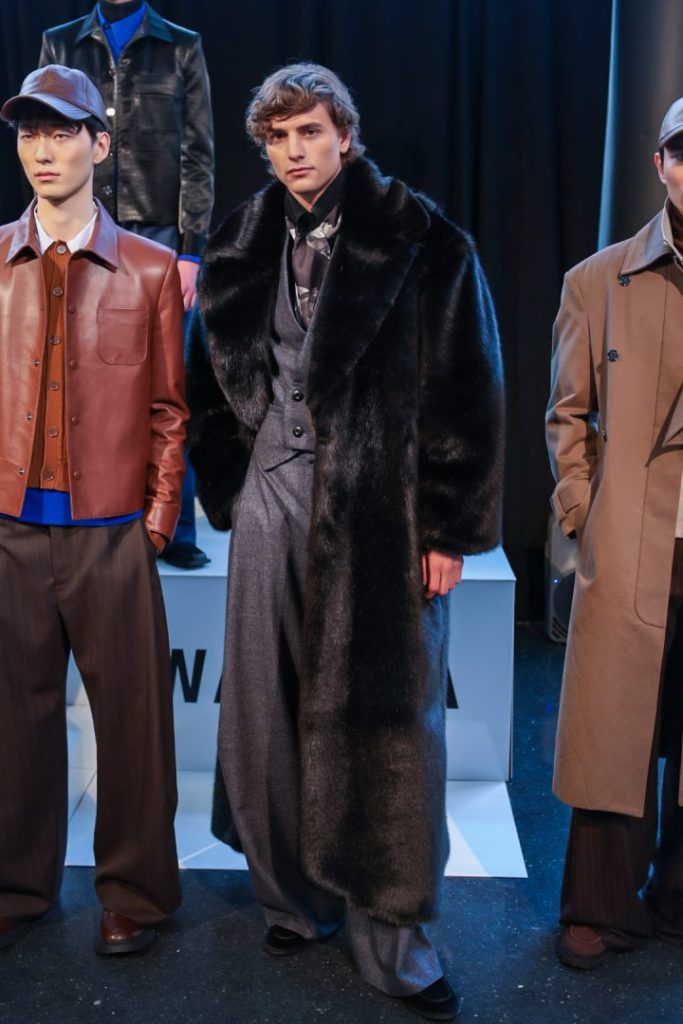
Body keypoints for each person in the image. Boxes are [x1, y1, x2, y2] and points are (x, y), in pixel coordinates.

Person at [188, 63, 504, 1020]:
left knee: (387, 724)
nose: (295, 151)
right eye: (278, 136)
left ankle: (394, 939)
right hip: (269, 499)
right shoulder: (239, 240)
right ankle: (293, 899)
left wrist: (447, 527)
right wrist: (229, 485)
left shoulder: (423, 239)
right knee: (260, 709)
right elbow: (208, 379)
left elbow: (468, 389)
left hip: (377, 512)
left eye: (311, 132)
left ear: (345, 136)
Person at [0, 64, 187, 955]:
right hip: (10, 530)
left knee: (134, 724)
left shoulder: (149, 267)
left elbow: (170, 409)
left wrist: (157, 520)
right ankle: (17, 884)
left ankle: (136, 895)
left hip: (111, 532)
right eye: (30, 133)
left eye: (62, 131)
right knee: (14, 721)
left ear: (100, 145)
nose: (44, 149)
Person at [547, 98, 683, 969]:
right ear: (660, 164)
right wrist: (581, 513)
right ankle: (598, 905)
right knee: (615, 723)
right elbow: (567, 412)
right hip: (633, 532)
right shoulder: (597, 279)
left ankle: (675, 893)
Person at [40, 0, 214, 569]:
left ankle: (175, 525)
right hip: (82, 222)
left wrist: (191, 249)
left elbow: (197, 152)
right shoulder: (61, 41)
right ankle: (84, 505)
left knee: (168, 378)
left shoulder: (181, 45)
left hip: (157, 229)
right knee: (82, 371)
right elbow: (45, 136)